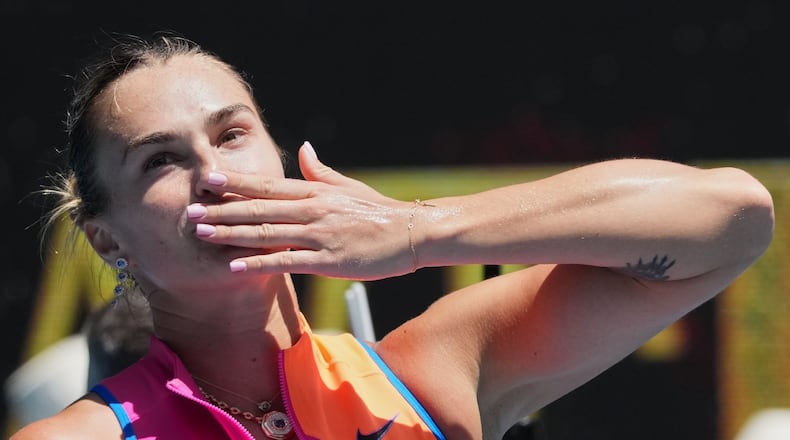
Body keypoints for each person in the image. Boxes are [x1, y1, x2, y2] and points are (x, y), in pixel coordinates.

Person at [10, 32, 774, 440]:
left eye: (232, 133)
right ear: (108, 242)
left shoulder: (437, 368)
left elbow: (734, 217)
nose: (212, 173)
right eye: (160, 160)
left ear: (283, 163)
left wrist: (420, 231)